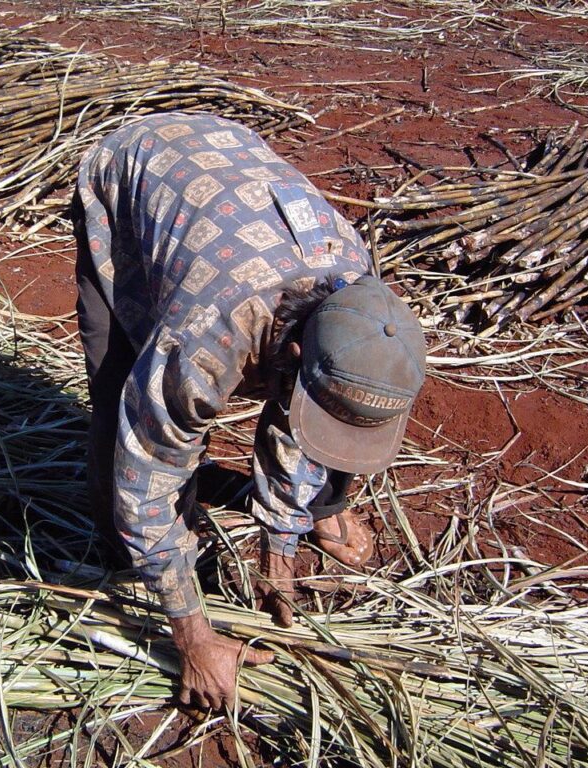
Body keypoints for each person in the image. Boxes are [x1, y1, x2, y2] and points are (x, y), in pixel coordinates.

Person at [72, 113, 426, 710]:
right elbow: (148, 464)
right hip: (137, 174)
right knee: (122, 395)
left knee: (322, 411)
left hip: (231, 184)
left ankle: (298, 516)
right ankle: (123, 555)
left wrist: (277, 551)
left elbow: (298, 420)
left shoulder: (361, 307)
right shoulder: (207, 338)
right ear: (291, 350)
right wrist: (193, 635)